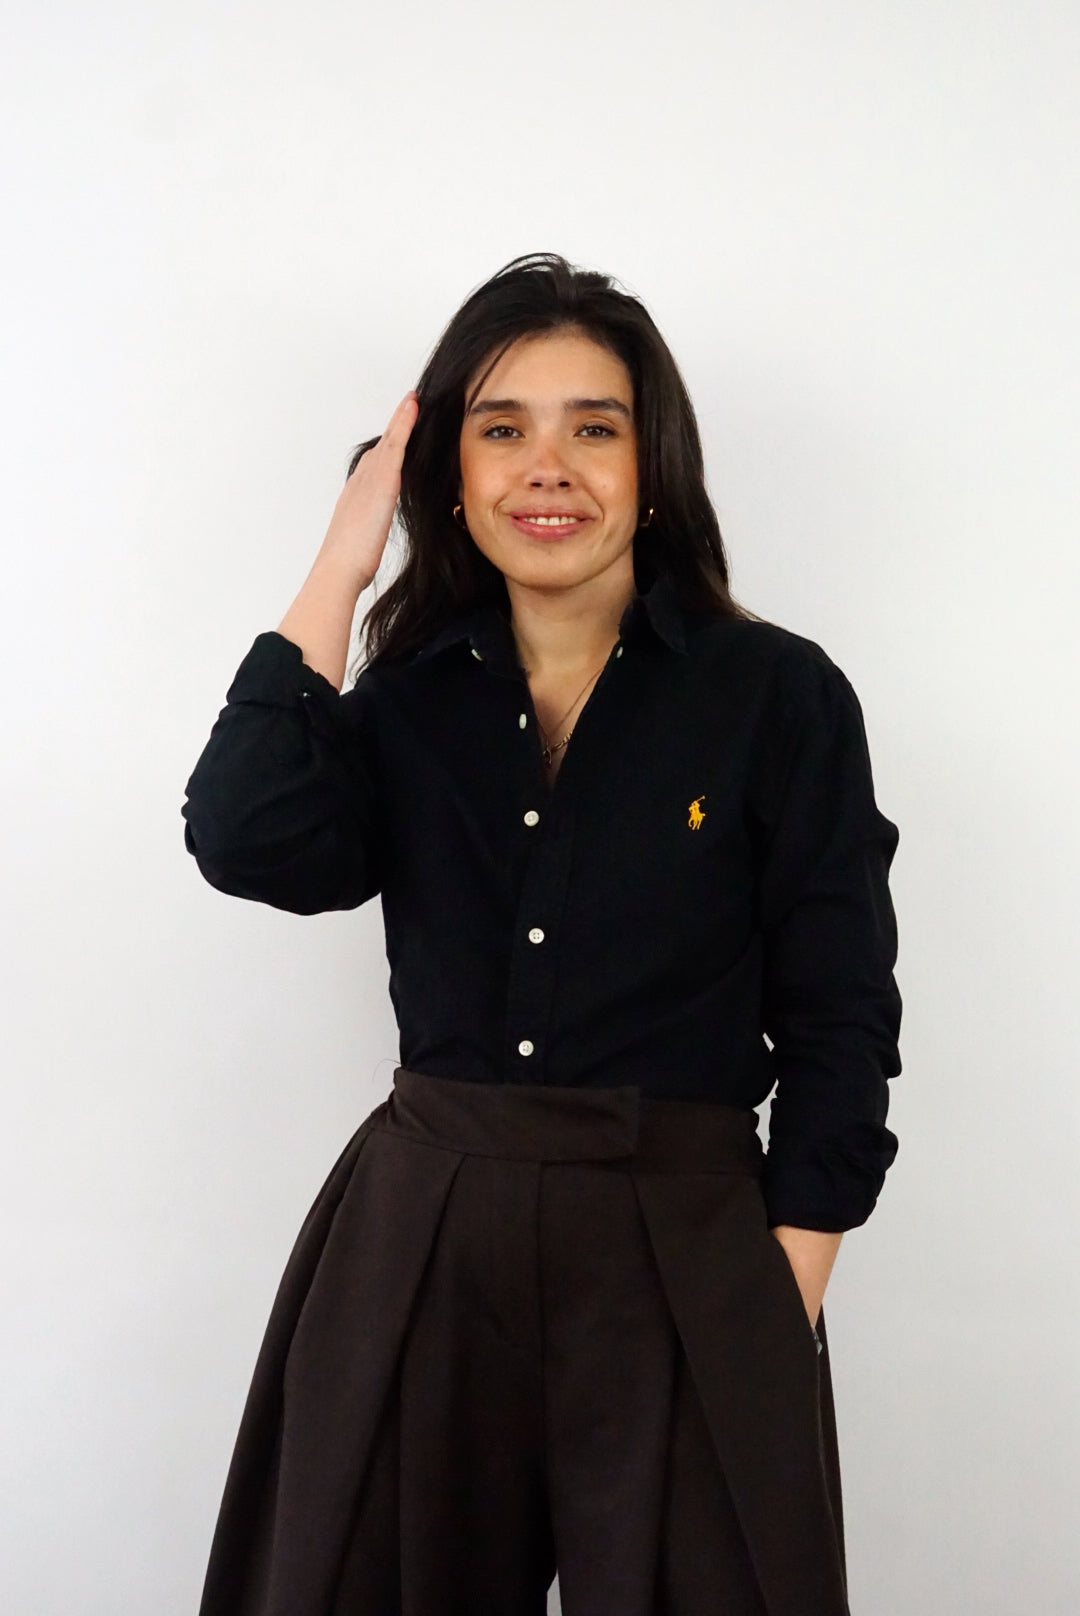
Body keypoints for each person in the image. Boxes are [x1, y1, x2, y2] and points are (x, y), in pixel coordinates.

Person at [181, 252, 902, 1616]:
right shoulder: (409, 702)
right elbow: (246, 836)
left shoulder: (777, 697)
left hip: (685, 1242)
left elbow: (841, 1015)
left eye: (595, 428)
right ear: (449, 474)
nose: (547, 468)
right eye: (502, 429)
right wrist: (349, 551)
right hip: (424, 1231)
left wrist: (782, 1290)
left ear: (652, 467)